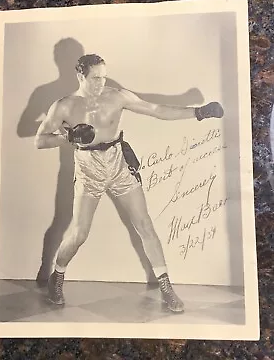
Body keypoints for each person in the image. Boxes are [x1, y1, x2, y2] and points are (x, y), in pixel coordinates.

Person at [34, 54, 224, 313]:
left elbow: (156, 110)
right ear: (80, 76)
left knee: (144, 224)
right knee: (79, 234)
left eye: (103, 77)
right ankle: (58, 275)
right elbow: (39, 140)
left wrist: (198, 113)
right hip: (89, 169)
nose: (100, 83)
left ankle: (166, 287)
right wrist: (67, 137)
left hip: (118, 163)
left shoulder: (117, 96)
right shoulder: (64, 106)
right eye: (94, 78)